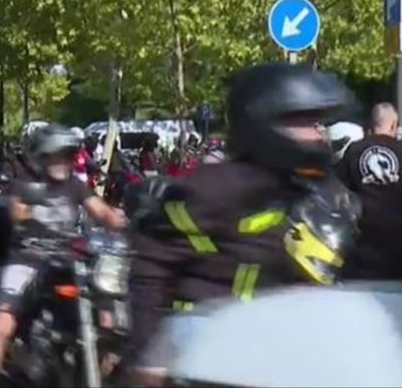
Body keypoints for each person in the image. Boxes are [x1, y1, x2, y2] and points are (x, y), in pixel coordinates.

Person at [125, 63, 356, 387]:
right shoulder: (214, 189)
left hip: (285, 355)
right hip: (206, 360)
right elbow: (151, 270)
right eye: (302, 122)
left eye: (317, 122)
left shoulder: (317, 190)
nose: (318, 133)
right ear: (264, 125)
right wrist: (150, 358)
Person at [0, 124, 127, 388]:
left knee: (108, 316)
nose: (64, 161)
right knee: (2, 325)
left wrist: (130, 223)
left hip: (69, 261)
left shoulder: (75, 186)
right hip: (27, 260)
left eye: (68, 155)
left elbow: (102, 212)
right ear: (43, 157)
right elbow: (16, 212)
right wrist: (30, 214)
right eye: (58, 154)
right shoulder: (26, 184)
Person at [338, 103, 402, 281]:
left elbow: (338, 188)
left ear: (370, 124)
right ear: (393, 125)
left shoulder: (354, 150)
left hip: (363, 239)